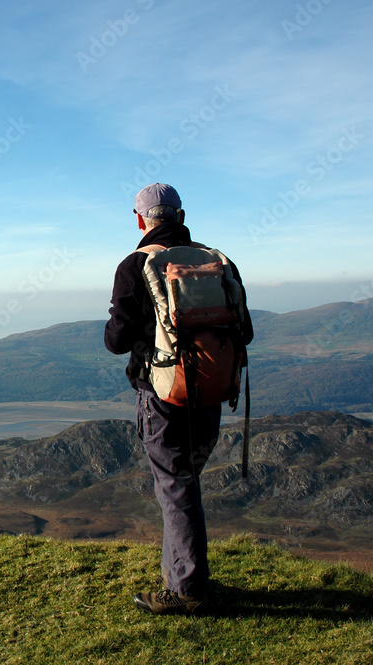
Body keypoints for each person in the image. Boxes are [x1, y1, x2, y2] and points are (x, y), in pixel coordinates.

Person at [104, 183, 254, 615]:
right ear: (181, 216)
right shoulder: (217, 261)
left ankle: (188, 590)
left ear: (140, 220)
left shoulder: (136, 265)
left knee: (174, 486)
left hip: (165, 394)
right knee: (184, 483)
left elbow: (116, 341)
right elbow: (244, 331)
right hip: (210, 389)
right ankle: (185, 575)